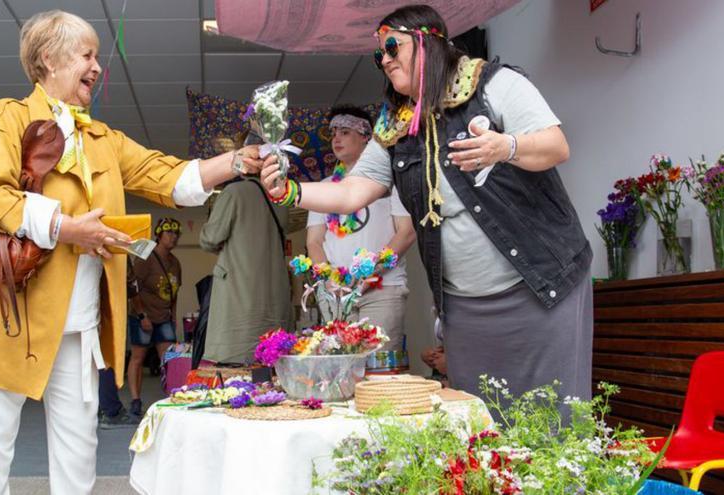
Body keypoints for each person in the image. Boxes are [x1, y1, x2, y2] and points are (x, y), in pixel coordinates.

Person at [0, 10, 274, 494]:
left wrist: (236, 161)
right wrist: (68, 228)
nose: (97, 67)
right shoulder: (8, 116)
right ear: (49, 59)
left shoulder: (102, 139)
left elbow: (167, 176)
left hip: (78, 326)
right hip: (8, 315)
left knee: (79, 450)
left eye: (97, 55)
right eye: (87, 54)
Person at [263, 5, 593, 407]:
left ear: (426, 41)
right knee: (477, 421)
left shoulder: (493, 83)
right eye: (378, 55)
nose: (383, 60)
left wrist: (505, 146)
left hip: (540, 285)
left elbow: (556, 146)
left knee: (551, 417)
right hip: (465, 304)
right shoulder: (396, 123)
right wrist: (289, 191)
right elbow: (352, 193)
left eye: (391, 47)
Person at [306, 105, 415, 349]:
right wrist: (329, 279)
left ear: (366, 137)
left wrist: (370, 275)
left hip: (381, 288)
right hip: (336, 292)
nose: (336, 138)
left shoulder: (391, 181)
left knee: (379, 371)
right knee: (341, 370)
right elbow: (313, 241)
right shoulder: (325, 186)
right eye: (333, 132)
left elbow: (406, 233)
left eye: (345, 132)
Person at [199, 174, 293, 364]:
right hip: (274, 294)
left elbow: (210, 238)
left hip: (238, 298)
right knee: (272, 361)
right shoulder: (280, 196)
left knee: (236, 370)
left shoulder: (234, 192)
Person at [126, 217, 182, 417]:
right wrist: (142, 315)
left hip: (164, 317)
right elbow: (133, 288)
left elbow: (174, 293)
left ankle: (171, 397)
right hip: (143, 315)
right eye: (169, 233)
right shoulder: (146, 258)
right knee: (138, 358)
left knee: (169, 360)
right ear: (159, 235)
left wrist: (173, 317)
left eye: (176, 234)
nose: (173, 237)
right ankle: (135, 400)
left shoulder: (175, 262)